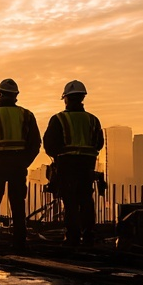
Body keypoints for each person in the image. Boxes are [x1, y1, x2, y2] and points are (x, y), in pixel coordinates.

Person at [0, 78, 41, 250]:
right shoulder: (26, 115)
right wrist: (25, 162)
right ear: (16, 95)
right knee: (18, 204)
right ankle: (19, 241)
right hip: (18, 164)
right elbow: (35, 143)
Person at [43, 80, 104, 247]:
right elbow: (99, 143)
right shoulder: (93, 120)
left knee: (70, 201)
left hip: (67, 165)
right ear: (82, 98)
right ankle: (89, 235)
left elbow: (49, 144)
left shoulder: (59, 119)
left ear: (66, 98)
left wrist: (57, 156)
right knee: (86, 200)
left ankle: (73, 237)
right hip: (87, 165)